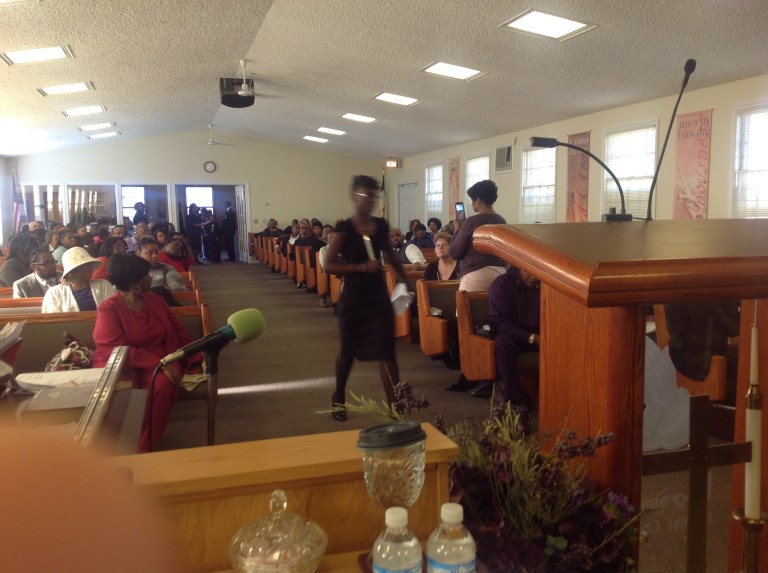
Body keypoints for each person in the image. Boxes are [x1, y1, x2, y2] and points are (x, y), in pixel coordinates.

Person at [324, 175, 410, 420]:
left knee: (386, 352)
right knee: (347, 351)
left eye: (374, 196)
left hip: (377, 297)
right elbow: (329, 265)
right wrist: (361, 267)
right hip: (353, 298)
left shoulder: (380, 226)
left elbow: (391, 255)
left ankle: (395, 410)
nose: (370, 200)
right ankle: (339, 395)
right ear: (354, 197)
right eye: (366, 195)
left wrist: (405, 279)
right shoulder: (345, 229)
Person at [93, 254, 197, 452]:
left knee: (162, 385)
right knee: (125, 392)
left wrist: (180, 358)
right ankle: (126, 443)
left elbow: (177, 331)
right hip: (130, 364)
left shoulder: (155, 300)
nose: (150, 278)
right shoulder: (109, 309)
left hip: (166, 357)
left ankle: (143, 447)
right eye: (144, 275)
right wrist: (158, 364)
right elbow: (115, 349)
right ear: (132, 283)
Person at [488, 268, 541, 423]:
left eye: (537, 272)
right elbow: (500, 322)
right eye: (529, 272)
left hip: (540, 335)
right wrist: (532, 338)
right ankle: (514, 400)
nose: (534, 276)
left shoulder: (546, 285)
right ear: (519, 267)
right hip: (514, 335)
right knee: (503, 344)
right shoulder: (502, 284)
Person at [664, 300, 740, 403]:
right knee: (741, 363)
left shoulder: (712, 294)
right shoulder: (676, 297)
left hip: (718, 347)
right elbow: (682, 340)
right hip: (692, 356)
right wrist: (727, 342)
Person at [450, 179, 507, 292]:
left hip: (477, 274)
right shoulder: (501, 221)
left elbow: (454, 252)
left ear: (478, 199)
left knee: (462, 304)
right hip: (501, 273)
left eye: (472, 199)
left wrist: (457, 230)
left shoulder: (471, 222)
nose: (472, 203)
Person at [42, 247, 116, 312]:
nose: (91, 268)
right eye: (87, 265)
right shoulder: (54, 293)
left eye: (91, 264)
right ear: (75, 269)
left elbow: (114, 312)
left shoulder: (103, 285)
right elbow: (52, 320)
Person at [294, 218, 324, 288]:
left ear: (310, 229)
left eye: (306, 228)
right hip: (300, 264)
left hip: (313, 263)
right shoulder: (297, 242)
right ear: (299, 229)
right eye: (302, 228)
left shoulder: (316, 241)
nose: (304, 230)